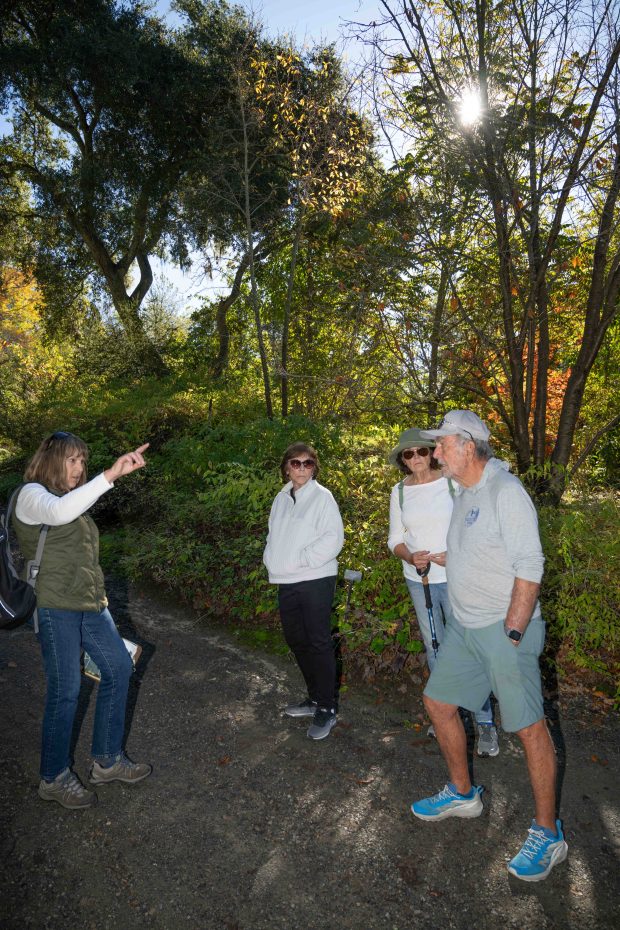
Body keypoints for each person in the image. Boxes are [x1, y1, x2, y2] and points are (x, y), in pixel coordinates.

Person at [410, 410, 568, 883]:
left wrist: (514, 634)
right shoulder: (467, 493)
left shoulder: (506, 492)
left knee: (528, 728)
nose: (435, 453)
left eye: (440, 445)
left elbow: (530, 565)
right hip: (465, 629)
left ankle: (548, 833)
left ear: (467, 445)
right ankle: (463, 793)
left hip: (504, 632)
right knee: (437, 702)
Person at [12, 431, 153, 810]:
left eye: (82, 462)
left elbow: (72, 523)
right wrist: (110, 475)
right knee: (67, 689)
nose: (79, 468)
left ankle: (107, 761)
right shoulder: (31, 495)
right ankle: (53, 777)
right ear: (51, 459)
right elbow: (58, 514)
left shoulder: (67, 500)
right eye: (71, 460)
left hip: (91, 604)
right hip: (55, 607)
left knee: (120, 669)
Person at [387, 428, 499, 757]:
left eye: (421, 451)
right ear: (402, 460)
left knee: (466, 649)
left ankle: (485, 722)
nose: (416, 458)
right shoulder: (399, 492)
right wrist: (410, 555)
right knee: (435, 650)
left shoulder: (451, 481)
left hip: (457, 578)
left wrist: (457, 553)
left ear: (431, 452)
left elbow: (474, 525)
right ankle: (446, 714)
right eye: (408, 455)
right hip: (418, 578)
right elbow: (394, 538)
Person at [263, 442, 344, 741]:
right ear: (286, 467)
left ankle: (327, 706)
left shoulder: (323, 498)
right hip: (286, 579)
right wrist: (272, 559)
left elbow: (333, 538)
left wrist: (301, 560)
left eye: (307, 463)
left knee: (318, 641)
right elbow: (273, 535)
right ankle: (314, 698)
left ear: (314, 468)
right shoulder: (281, 498)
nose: (301, 468)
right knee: (295, 639)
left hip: (315, 578)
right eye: (295, 463)